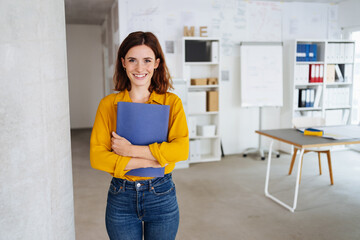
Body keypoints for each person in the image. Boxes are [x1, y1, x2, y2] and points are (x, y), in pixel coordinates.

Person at [90, 31, 189, 240]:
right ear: (123, 63)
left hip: (161, 194)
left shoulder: (172, 103)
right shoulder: (108, 105)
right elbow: (97, 157)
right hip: (121, 195)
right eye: (132, 60)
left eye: (147, 60)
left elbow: (181, 150)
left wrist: (130, 151)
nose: (140, 68)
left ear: (156, 63)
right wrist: (150, 159)